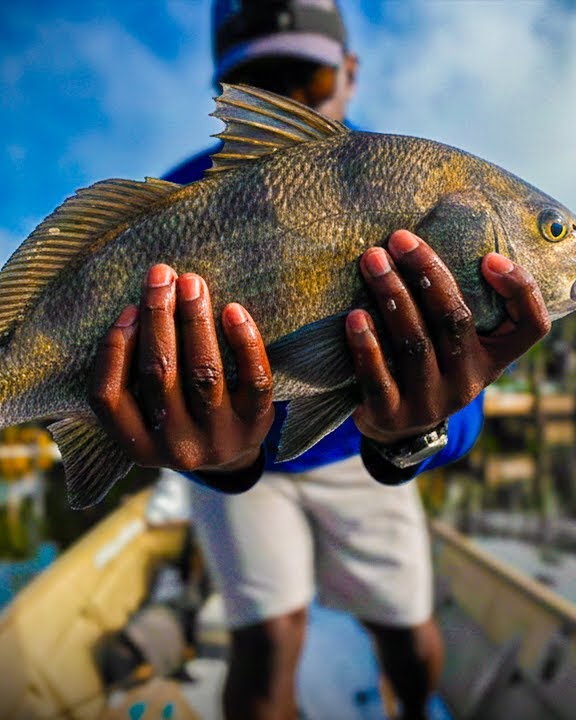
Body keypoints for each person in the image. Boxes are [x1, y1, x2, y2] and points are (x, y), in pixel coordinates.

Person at [89, 1, 551, 718]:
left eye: (305, 79)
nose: (284, 102)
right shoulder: (177, 203)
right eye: (259, 81)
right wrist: (213, 458)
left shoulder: (419, 183)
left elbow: (465, 403)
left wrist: (411, 437)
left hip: (355, 459)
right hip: (239, 467)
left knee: (406, 628)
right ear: (225, 92)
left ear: (350, 72)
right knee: (268, 640)